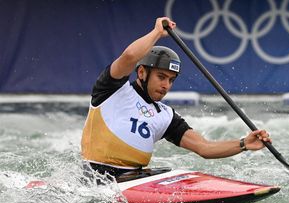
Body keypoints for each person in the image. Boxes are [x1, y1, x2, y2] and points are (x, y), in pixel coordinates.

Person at [81, 17, 271, 180]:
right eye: (161, 77)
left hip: (134, 179)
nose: (166, 86)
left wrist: (244, 144)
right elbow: (130, 56)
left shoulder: (166, 116)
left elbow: (204, 148)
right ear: (141, 72)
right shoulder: (111, 89)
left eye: (171, 80)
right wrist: (156, 32)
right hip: (95, 178)